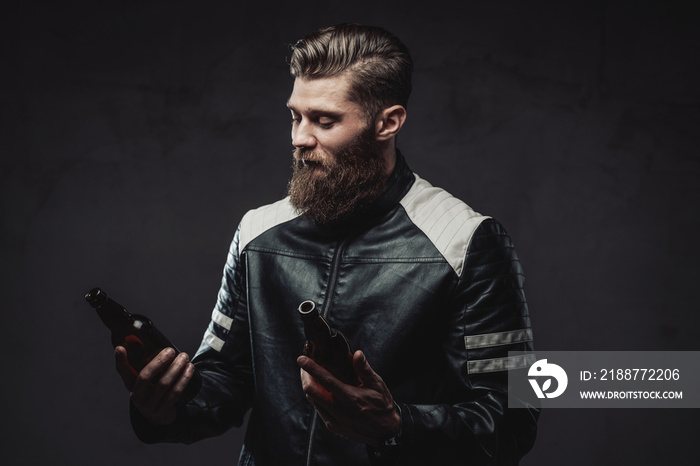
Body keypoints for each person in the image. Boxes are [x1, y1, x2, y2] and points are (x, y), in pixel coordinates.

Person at [114, 23, 539, 465]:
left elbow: (513, 417)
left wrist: (397, 426)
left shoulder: (466, 240)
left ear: (387, 122)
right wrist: (164, 407)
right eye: (295, 116)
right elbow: (227, 377)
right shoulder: (258, 231)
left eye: (324, 120)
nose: (299, 138)